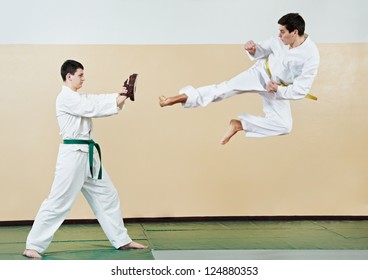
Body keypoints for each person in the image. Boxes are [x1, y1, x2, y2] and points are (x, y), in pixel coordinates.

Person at [23, 60, 147, 259]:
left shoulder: (77, 97)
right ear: (69, 76)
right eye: (80, 75)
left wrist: (122, 95)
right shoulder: (65, 98)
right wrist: (120, 97)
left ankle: (121, 240)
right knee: (58, 201)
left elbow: (95, 101)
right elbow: (91, 107)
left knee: (108, 195)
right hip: (73, 156)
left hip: (88, 155)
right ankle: (33, 246)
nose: (83, 78)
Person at [159, 13, 320, 144]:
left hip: (278, 89)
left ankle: (239, 125)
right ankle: (175, 98)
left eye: (283, 32)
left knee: (285, 126)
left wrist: (278, 89)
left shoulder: (310, 55)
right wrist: (252, 49)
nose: (279, 35)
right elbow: (262, 49)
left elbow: (302, 89)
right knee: (222, 90)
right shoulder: (278, 41)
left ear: (295, 32)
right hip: (260, 74)